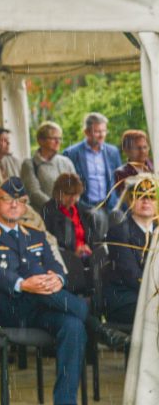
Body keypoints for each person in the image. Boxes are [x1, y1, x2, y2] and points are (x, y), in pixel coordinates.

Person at [0, 178, 127, 405]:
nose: (14, 206)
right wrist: (23, 283)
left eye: (20, 202)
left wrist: (57, 278)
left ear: (25, 207)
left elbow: (55, 267)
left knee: (72, 325)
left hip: (42, 308)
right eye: (8, 200)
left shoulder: (36, 235)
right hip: (5, 308)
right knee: (43, 293)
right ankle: (97, 326)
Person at [104, 174, 156, 324]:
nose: (146, 200)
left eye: (151, 196)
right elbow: (132, 276)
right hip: (126, 298)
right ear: (130, 200)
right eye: (140, 195)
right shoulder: (119, 232)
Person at [63, 112, 122, 210]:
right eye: (97, 131)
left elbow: (120, 180)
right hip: (84, 208)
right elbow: (67, 185)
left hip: (110, 206)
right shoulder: (71, 154)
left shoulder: (113, 152)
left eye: (104, 131)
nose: (102, 135)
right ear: (86, 132)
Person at [41, 173, 105, 259]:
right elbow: (53, 242)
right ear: (58, 193)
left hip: (87, 254)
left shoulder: (83, 210)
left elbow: (94, 237)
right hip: (65, 258)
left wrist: (88, 248)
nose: (73, 198)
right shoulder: (48, 211)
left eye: (76, 194)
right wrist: (73, 253)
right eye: (68, 194)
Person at [21, 121, 77, 211]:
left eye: (59, 138)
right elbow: (34, 193)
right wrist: (57, 208)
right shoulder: (29, 164)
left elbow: (76, 188)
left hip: (67, 216)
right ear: (41, 140)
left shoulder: (66, 162)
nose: (58, 141)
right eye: (54, 138)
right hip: (43, 216)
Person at [114, 130, 153, 200]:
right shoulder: (121, 173)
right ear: (126, 150)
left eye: (145, 147)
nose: (143, 151)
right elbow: (124, 201)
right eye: (137, 148)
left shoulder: (155, 165)